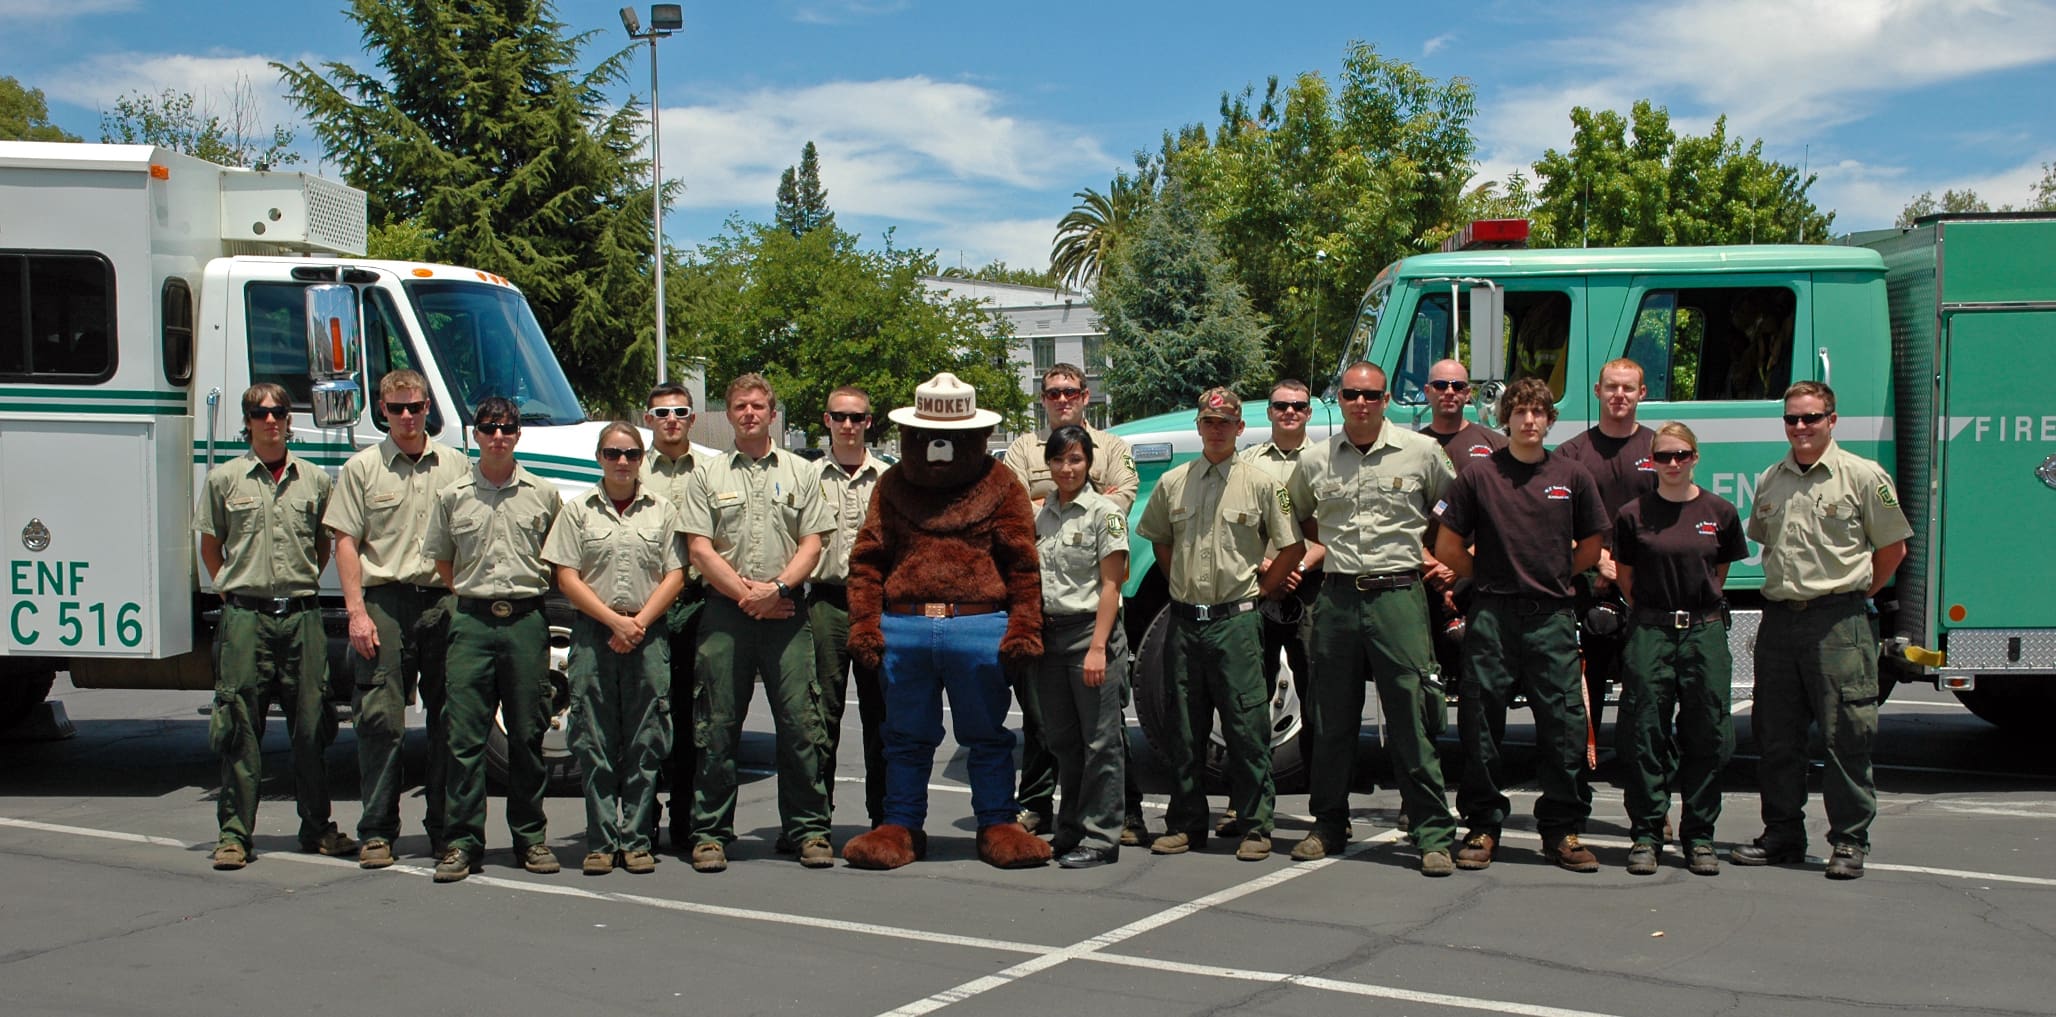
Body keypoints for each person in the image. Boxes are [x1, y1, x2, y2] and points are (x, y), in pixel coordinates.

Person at [1285, 364, 1459, 875]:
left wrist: (1435, 557)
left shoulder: (1422, 452)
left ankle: (1431, 832)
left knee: (1412, 714)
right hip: (1337, 597)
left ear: (1386, 400)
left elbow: (1450, 507)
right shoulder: (1315, 461)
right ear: (1339, 399)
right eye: (1352, 395)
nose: (1361, 403)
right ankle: (1328, 823)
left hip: (1399, 595)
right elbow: (1299, 515)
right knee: (1332, 717)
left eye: (1372, 395)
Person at [1733, 382, 1909, 880]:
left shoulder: (1861, 476)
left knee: (1845, 735)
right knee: (1776, 735)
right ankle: (1783, 833)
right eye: (1792, 419)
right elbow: (1765, 542)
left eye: (1811, 417)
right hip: (1781, 622)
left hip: (1839, 621)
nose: (1801, 427)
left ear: (1832, 419)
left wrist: (1856, 594)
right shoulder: (1772, 478)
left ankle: (1850, 841)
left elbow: (1892, 548)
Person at [1433, 378, 1609, 872]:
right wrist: (1489, 577)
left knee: (1564, 728)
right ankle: (1483, 826)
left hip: (1552, 617)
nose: (1529, 421)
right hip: (1491, 617)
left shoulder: (1573, 476)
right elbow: (1447, 548)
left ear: (1551, 421)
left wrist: (1550, 576)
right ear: (1504, 419)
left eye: (1538, 413)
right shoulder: (1478, 476)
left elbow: (1592, 549)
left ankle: (1562, 830)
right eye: (1520, 412)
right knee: (1481, 726)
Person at [1136, 387, 1305, 861]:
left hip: (1237, 623)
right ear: (1198, 426)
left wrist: (1266, 585)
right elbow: (1160, 540)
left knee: (1248, 727)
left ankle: (1255, 825)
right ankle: (1186, 824)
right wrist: (1178, 582)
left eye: (1225, 422)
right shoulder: (1173, 482)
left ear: (1239, 428)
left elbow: (1290, 544)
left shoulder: (1261, 484)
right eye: (1208, 422)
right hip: (1187, 623)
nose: (1216, 429)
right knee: (1184, 729)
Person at [679, 374, 836, 872]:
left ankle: (807, 830)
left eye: (759, 405)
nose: (750, 413)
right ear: (728, 415)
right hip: (728, 613)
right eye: (740, 406)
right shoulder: (706, 475)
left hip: (787, 612)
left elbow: (813, 542)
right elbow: (698, 547)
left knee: (800, 725)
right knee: (717, 726)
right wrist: (747, 594)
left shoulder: (800, 472)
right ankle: (710, 833)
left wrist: (778, 590)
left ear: (773, 413)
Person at [196, 383, 350, 870]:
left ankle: (316, 827)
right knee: (240, 728)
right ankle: (235, 835)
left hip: (301, 617)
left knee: (312, 727)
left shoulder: (315, 482)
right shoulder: (225, 480)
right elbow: (210, 546)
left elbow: (323, 547)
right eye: (259, 413)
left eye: (278, 412)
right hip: (245, 618)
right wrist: (234, 589)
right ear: (246, 420)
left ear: (288, 419)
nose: (269, 420)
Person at [325, 368, 468, 868]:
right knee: (380, 721)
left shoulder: (456, 465)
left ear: (428, 408)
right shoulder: (362, 468)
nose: (407, 417)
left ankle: (447, 831)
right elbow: (344, 541)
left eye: (415, 407)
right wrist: (356, 613)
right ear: (382, 411)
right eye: (396, 408)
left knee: (450, 722)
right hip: (384, 602)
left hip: (442, 601)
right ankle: (378, 831)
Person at [425, 395, 564, 883]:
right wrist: (471, 591)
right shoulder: (453, 495)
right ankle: (462, 842)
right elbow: (443, 560)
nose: (498, 436)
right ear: (476, 435)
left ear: (518, 434)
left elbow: (558, 558)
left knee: (527, 734)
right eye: (489, 428)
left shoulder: (543, 494)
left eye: (507, 428)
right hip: (472, 622)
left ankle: (530, 837)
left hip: (526, 621)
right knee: (464, 737)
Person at [1002, 363, 1139, 837]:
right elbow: (1013, 509)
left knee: (1104, 735)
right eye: (1052, 392)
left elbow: (1121, 499)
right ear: (1043, 398)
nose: (1062, 399)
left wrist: (1064, 503)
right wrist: (1046, 505)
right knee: (1055, 731)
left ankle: (1113, 824)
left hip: (1089, 625)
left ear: (1086, 396)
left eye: (1071, 392)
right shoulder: (1023, 448)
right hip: (1045, 622)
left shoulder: (1114, 451)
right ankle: (1062, 818)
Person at [543, 422, 685, 876]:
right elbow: (565, 576)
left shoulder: (663, 511)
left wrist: (638, 622)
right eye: (612, 453)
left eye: (630, 454)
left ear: (642, 458)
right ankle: (602, 842)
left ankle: (638, 839)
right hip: (593, 633)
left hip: (647, 635)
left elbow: (676, 574)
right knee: (593, 742)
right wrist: (613, 622)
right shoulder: (577, 511)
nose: (621, 462)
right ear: (599, 457)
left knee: (647, 743)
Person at [1612, 422, 1747, 877]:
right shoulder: (1633, 514)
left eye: (1681, 455)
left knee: (1709, 733)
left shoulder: (1720, 511)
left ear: (1695, 458)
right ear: (1651, 461)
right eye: (1663, 456)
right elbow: (1626, 578)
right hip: (1650, 630)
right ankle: (1648, 834)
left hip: (1704, 633)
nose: (1672, 464)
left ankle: (1699, 836)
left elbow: (1720, 571)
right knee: (1645, 733)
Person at [1033, 425, 1132, 869]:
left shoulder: (1104, 513)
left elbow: (1111, 585)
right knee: (1063, 742)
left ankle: (1101, 835)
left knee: (1100, 744)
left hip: (1089, 635)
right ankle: (1069, 829)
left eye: (1074, 459)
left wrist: (1098, 649)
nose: (1066, 468)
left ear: (1089, 462)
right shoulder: (1041, 514)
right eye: (1058, 460)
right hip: (1049, 639)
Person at [1553, 358, 1659, 758]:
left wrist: (1624, 567)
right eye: (1611, 387)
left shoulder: (1659, 450)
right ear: (1596, 392)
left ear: (1642, 394)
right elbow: (1555, 522)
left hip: (1642, 586)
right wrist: (1597, 560)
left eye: (1628, 388)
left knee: (1644, 684)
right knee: (1583, 682)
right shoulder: (1571, 453)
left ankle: (1642, 778)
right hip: (1585, 582)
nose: (1619, 395)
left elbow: (1671, 519)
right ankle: (1580, 771)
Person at [809, 386, 890, 831]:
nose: (847, 425)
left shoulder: (890, 478)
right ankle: (814, 821)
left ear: (868, 422)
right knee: (822, 714)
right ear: (826, 421)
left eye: (856, 418)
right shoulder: (808, 478)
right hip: (827, 602)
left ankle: (885, 817)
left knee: (882, 715)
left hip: (879, 604)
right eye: (839, 417)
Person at [638, 382, 703, 851]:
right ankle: (642, 819)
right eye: (662, 413)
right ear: (648, 419)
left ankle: (688, 820)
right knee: (646, 717)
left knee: (695, 716)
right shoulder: (627, 468)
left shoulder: (716, 469)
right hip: (648, 606)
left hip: (701, 602)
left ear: (693, 418)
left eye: (680, 411)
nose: (672, 419)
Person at [1417, 360, 1506, 686]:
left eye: (1457, 386)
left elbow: (1508, 515)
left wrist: (1460, 563)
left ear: (1469, 394)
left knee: (1481, 677)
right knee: (1424, 676)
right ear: (1428, 392)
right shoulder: (1409, 447)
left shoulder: (1497, 446)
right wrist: (1431, 564)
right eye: (1441, 386)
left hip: (1478, 572)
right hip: (1422, 574)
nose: (1449, 392)